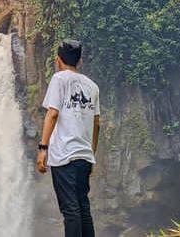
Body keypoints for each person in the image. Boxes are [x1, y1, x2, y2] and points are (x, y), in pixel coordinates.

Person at [37, 39, 100, 237]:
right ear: (80, 61)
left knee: (71, 210)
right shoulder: (92, 86)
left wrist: (43, 148)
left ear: (58, 60)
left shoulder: (59, 79)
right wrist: (91, 154)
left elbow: (52, 114)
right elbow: (97, 123)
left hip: (64, 156)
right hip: (84, 157)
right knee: (83, 208)